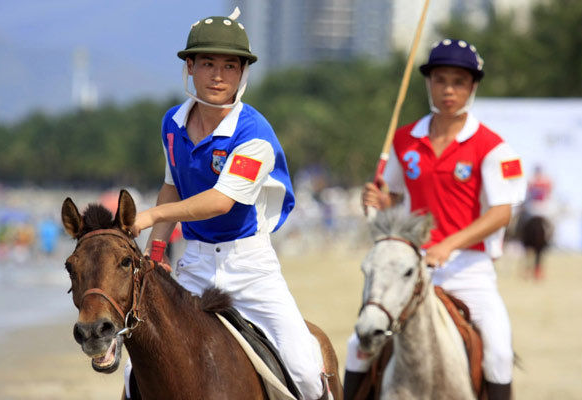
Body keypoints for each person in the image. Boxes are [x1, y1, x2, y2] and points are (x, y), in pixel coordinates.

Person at [127, 8, 326, 400]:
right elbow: (172, 186)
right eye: (207, 63)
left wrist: (150, 217)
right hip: (195, 265)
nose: (218, 76)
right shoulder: (172, 124)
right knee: (137, 370)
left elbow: (221, 201)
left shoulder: (255, 134)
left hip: (250, 269)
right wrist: (157, 247)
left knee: (305, 369)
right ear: (190, 68)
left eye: (230, 66)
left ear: (242, 73)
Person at [345, 39, 526, 400]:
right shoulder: (405, 139)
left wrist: (449, 244)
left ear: (473, 86)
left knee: (500, 353)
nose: (448, 90)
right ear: (428, 83)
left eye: (459, 82)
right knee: (358, 345)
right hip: (413, 270)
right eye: (440, 79)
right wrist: (380, 200)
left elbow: (502, 212)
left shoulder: (492, 146)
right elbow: (392, 195)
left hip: (470, 270)